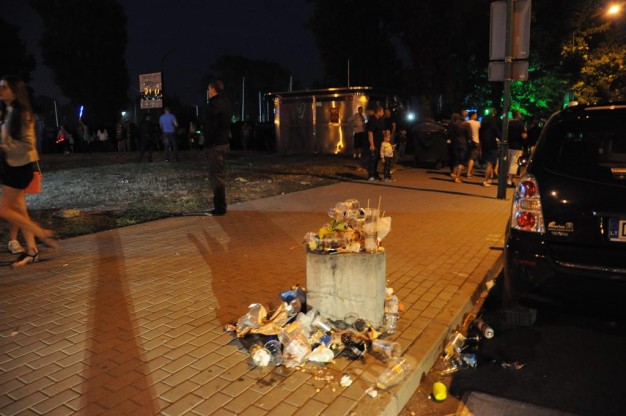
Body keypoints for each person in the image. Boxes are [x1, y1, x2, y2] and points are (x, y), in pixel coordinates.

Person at [0, 75, 57, 267]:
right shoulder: (9, 112)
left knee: (4, 209)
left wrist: (4, 147)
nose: (0, 91)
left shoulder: (22, 113)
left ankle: (40, 233)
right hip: (11, 167)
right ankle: (32, 251)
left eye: (4, 87)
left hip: (19, 168)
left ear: (14, 92)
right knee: (19, 210)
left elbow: (28, 144)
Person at [201, 80, 233, 216]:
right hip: (224, 143)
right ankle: (221, 205)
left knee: (216, 176)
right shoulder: (227, 103)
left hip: (215, 145)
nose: (208, 91)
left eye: (209, 89)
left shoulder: (212, 106)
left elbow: (210, 127)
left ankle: (220, 207)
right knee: (220, 174)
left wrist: (206, 144)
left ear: (213, 89)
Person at [479, 110, 501, 187]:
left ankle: (488, 179)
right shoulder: (493, 127)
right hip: (492, 146)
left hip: (484, 146)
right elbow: (499, 135)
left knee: (488, 164)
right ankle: (485, 180)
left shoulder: (481, 128)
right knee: (490, 164)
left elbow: (480, 139)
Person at [450, 111, 472, 183]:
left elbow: (451, 134)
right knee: (461, 161)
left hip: (455, 143)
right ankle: (458, 177)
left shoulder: (454, 123)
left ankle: (454, 173)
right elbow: (469, 135)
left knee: (456, 159)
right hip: (463, 144)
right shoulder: (466, 124)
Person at [506, 109, 527, 186]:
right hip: (517, 145)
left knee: (510, 162)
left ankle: (512, 179)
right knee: (514, 163)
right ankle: (509, 179)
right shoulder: (520, 124)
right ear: (518, 115)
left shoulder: (509, 123)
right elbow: (524, 136)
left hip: (509, 145)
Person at [366, 105, 385, 181]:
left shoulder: (379, 120)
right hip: (374, 143)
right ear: (379, 112)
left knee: (377, 159)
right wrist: (372, 144)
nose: (383, 113)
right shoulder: (372, 121)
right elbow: (370, 133)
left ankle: (375, 173)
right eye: (382, 111)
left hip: (379, 143)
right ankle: (371, 175)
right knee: (373, 159)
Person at [466, 111, 481, 178]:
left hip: (468, 141)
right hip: (476, 141)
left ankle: (470, 171)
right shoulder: (478, 123)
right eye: (475, 114)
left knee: (470, 156)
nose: (476, 115)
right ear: (472, 115)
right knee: (472, 157)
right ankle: (469, 173)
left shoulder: (467, 122)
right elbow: (480, 132)